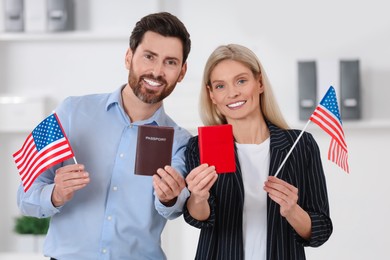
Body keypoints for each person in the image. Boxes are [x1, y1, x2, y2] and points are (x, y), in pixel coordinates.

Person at [17, 12, 192, 260]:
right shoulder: (68, 111)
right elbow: (25, 195)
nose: (157, 71)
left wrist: (170, 197)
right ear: (129, 57)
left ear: (182, 72)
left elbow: (174, 208)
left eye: (170, 62)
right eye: (149, 57)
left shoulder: (181, 141)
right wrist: (55, 194)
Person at [183, 44, 333, 260]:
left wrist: (292, 210)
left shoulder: (300, 145)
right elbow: (199, 219)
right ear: (212, 95)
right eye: (220, 86)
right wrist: (198, 197)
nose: (233, 93)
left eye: (241, 81)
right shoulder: (200, 146)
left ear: (260, 82)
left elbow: (321, 230)